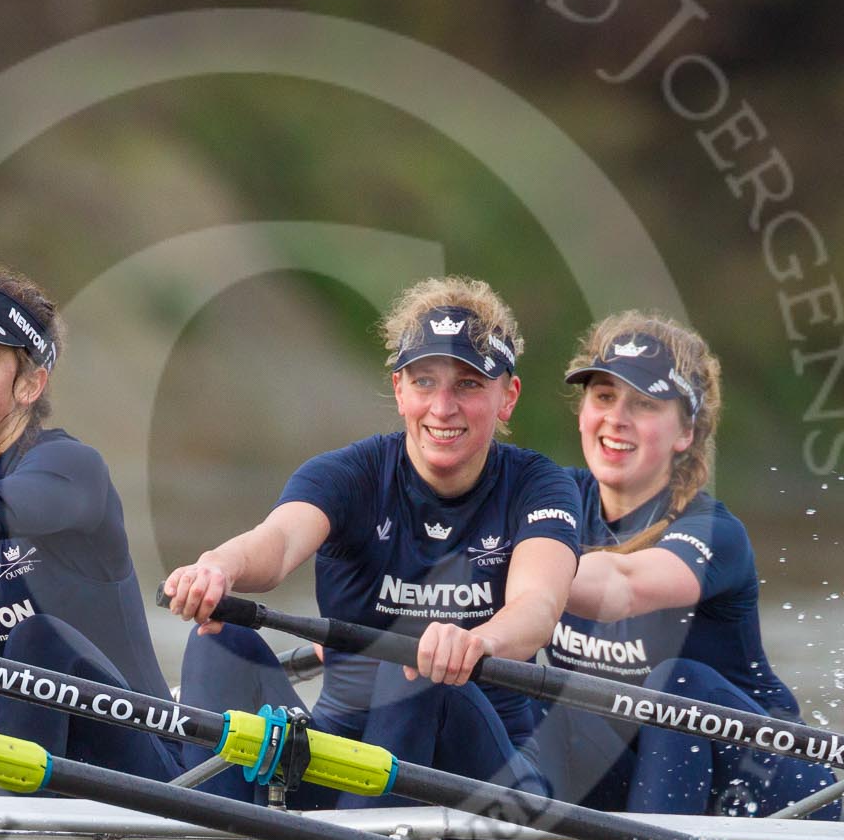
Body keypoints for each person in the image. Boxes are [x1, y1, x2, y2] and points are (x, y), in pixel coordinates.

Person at [164, 276, 580, 807]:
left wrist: (480, 642)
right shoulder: (350, 474)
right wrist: (218, 567)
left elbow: (537, 606)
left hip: (482, 772)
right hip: (343, 760)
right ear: (400, 390)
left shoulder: (539, 485)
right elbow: (277, 543)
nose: (443, 407)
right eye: (425, 382)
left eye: (469, 385)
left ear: (507, 397)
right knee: (218, 641)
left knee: (409, 663)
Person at [525, 311, 838, 816]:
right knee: (527, 693)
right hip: (640, 770)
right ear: (582, 411)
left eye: (644, 404)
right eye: (603, 397)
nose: (616, 419)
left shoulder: (713, 530)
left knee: (675, 681)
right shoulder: (549, 496)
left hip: (764, 784)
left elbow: (622, 586)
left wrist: (508, 563)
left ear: (685, 432)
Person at [0, 267, 178, 780]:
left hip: (139, 768)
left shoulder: (72, 469)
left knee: (40, 638)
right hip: (4, 748)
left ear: (29, 384)